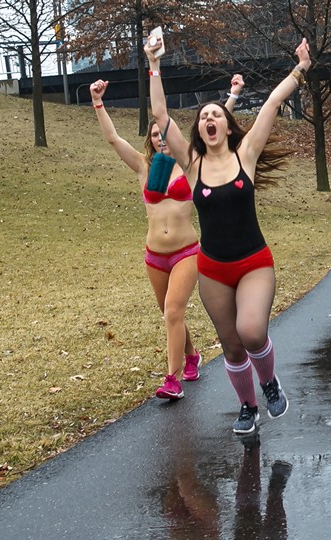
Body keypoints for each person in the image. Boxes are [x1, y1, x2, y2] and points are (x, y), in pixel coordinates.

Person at [146, 32, 309, 433]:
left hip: (253, 262)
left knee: (251, 332)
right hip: (213, 268)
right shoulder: (191, 163)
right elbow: (161, 115)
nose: (209, 119)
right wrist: (154, 64)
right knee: (232, 346)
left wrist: (301, 68)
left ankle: (268, 383)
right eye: (204, 116)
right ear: (199, 129)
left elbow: (272, 103)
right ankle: (248, 408)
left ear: (227, 125)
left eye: (216, 114)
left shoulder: (245, 154)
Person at [89, 76, 242, 401]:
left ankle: (172, 379)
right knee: (170, 313)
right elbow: (113, 139)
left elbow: (213, 126)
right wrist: (98, 102)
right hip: (154, 256)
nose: (161, 138)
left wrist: (232, 95)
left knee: (173, 310)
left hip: (186, 252)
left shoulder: (190, 164)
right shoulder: (144, 167)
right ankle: (191, 355)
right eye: (155, 134)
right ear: (151, 139)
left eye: (164, 133)